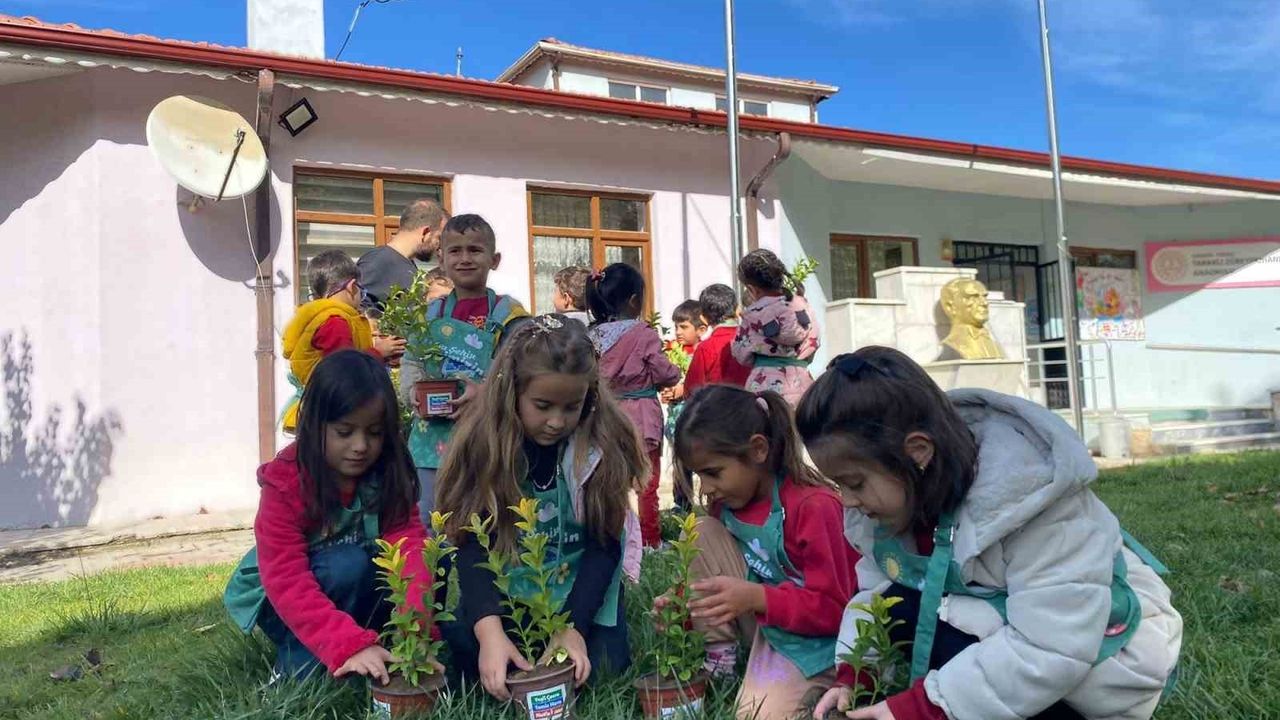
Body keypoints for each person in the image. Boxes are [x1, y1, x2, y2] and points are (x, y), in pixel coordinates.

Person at [798, 347, 1182, 720]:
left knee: (930, 615)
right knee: (898, 600)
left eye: (854, 483)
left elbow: (1050, 646)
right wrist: (856, 676)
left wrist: (925, 708)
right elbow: (876, 597)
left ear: (917, 452)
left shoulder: (1034, 504)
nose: (847, 501)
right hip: (1018, 643)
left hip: (1096, 670)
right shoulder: (894, 503)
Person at [435, 316, 647, 699]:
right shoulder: (484, 447)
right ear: (511, 392)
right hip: (508, 595)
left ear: (591, 395)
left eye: (572, 406)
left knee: (600, 670)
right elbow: (471, 545)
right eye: (543, 405)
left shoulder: (601, 448)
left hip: (578, 593)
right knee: (477, 666)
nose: (556, 421)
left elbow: (604, 546)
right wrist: (490, 633)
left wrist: (573, 628)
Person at [223, 350, 430, 684]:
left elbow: (408, 545)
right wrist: (347, 645)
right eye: (345, 432)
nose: (361, 446)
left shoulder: (386, 473)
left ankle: (371, 644)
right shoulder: (286, 483)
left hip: (347, 581)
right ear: (314, 423)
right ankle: (294, 669)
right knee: (345, 565)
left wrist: (419, 628)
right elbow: (286, 579)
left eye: (374, 433)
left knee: (431, 559)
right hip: (281, 598)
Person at [668, 385, 860, 720]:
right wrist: (680, 605)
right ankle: (722, 660)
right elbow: (726, 574)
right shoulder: (726, 504)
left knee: (754, 716)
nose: (707, 487)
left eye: (712, 472)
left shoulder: (814, 507)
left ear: (758, 449)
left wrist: (759, 599)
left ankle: (820, 691)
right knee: (700, 531)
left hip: (819, 645)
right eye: (698, 475)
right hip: (767, 624)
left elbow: (837, 610)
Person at [401, 214, 529, 519]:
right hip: (431, 442)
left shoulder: (510, 315)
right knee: (430, 518)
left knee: (486, 519)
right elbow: (412, 359)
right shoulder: (429, 314)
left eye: (475, 250)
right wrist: (413, 394)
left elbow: (525, 369)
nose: (465, 258)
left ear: (494, 259)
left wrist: (486, 393)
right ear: (441, 258)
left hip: (489, 438)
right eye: (455, 251)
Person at [586, 263, 681, 548]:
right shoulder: (642, 333)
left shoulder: (593, 335)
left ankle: (615, 537)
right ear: (634, 300)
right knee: (646, 483)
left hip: (607, 415)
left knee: (610, 481)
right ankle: (650, 541)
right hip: (641, 415)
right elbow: (665, 372)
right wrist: (673, 375)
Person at [281, 250, 405, 432]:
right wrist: (378, 353)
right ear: (352, 286)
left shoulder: (321, 316)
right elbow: (345, 369)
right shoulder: (335, 322)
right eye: (361, 291)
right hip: (334, 413)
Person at [733, 249, 819, 406]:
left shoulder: (751, 315)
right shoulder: (803, 307)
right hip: (803, 384)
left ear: (752, 289)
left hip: (763, 385)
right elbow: (815, 341)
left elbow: (740, 353)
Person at [358, 198, 449, 314]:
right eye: (439, 238)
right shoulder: (378, 261)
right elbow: (358, 311)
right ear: (426, 232)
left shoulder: (408, 267)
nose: (440, 246)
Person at [659, 298, 705, 511]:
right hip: (676, 419)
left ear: (700, 329)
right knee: (680, 463)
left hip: (697, 418)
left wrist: (683, 389)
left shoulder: (702, 352)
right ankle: (682, 505)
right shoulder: (671, 351)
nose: (678, 331)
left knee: (703, 460)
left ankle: (709, 499)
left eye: (684, 326)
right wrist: (668, 391)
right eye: (676, 326)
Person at [683, 283, 749, 396]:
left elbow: (692, 388)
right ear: (737, 310)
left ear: (703, 318)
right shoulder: (752, 340)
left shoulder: (706, 348)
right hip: (750, 408)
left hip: (715, 409)